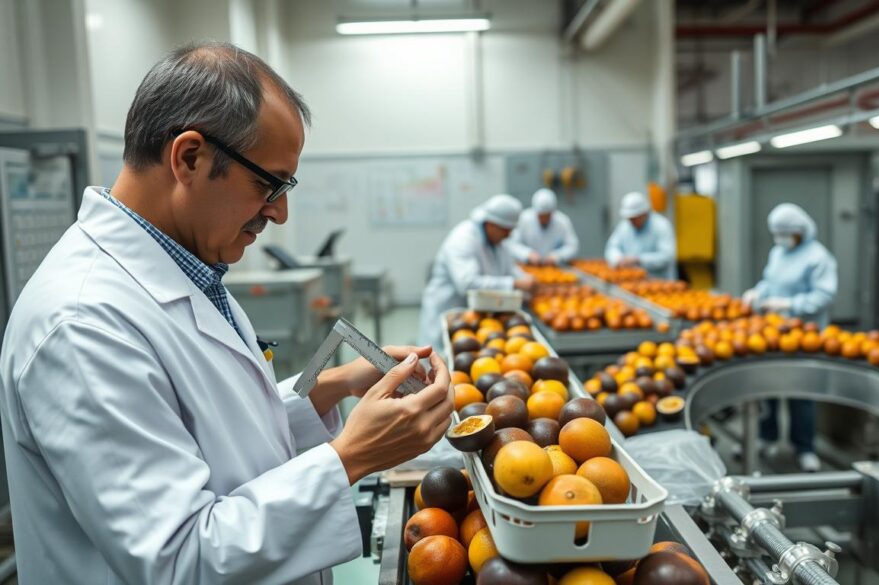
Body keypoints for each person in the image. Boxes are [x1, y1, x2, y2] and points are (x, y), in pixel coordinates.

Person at [0, 42, 454, 584]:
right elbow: (179, 561)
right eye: (269, 184)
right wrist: (350, 457)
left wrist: (333, 384)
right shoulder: (83, 325)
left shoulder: (188, 266)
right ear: (189, 157)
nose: (279, 212)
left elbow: (217, 437)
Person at [743, 203, 838, 472]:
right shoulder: (778, 252)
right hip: (774, 332)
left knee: (801, 393)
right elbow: (769, 282)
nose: (782, 239)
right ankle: (767, 436)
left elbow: (824, 296)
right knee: (769, 387)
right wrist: (757, 293)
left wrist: (789, 305)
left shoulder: (819, 257)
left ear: (801, 230)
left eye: (787, 234)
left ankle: (805, 447)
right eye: (777, 234)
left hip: (804, 335)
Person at [418, 194, 535, 351]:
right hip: (449, 310)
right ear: (491, 224)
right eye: (506, 230)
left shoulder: (497, 241)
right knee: (440, 363)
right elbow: (467, 283)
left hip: (476, 319)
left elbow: (509, 268)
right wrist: (514, 283)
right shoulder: (463, 238)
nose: (509, 235)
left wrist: (526, 280)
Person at [605, 191, 677, 279]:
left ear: (644, 213)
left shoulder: (661, 226)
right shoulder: (624, 226)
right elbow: (612, 247)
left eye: (634, 218)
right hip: (632, 281)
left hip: (660, 282)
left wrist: (639, 260)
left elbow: (667, 256)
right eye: (630, 218)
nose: (631, 221)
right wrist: (618, 259)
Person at [507, 188, 579, 265]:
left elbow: (572, 246)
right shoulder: (523, 219)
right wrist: (527, 254)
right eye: (541, 216)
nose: (544, 219)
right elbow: (512, 244)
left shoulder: (562, 221)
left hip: (554, 267)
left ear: (553, 212)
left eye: (547, 216)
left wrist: (557, 256)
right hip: (528, 266)